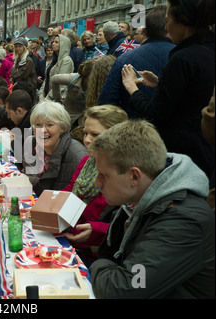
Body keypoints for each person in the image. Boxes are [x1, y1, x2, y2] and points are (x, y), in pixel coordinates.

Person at [88, 120, 215, 298]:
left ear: (134, 176)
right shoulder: (138, 200)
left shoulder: (183, 222)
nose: (97, 182)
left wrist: (97, 265)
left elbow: (122, 291)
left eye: (104, 175)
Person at [121, 0, 215, 180]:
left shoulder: (183, 58)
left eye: (168, 20)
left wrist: (132, 88)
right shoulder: (207, 49)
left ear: (182, 20)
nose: (167, 27)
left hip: (185, 155)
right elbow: (198, 88)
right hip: (206, 149)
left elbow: (155, 113)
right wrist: (162, 83)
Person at [60, 105, 128, 266]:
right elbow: (69, 192)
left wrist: (96, 229)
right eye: (85, 133)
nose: (86, 140)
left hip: (99, 257)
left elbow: (128, 226)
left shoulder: (126, 173)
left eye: (95, 135)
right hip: (72, 243)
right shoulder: (87, 162)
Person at [99, 5, 176, 117]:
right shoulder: (186, 56)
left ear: (145, 32)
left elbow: (107, 102)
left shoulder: (124, 59)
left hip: (131, 128)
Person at [23, 101, 87, 196]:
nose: (43, 130)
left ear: (63, 128)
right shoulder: (31, 144)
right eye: (38, 125)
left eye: (49, 125)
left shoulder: (77, 157)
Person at [50, 59, 96, 128]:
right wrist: (57, 98)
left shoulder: (99, 84)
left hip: (85, 121)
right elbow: (54, 79)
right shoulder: (73, 78)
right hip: (69, 117)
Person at [39, 34, 73, 102]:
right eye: (53, 42)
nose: (53, 44)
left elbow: (61, 84)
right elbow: (46, 79)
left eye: (56, 42)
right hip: (46, 97)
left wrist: (47, 99)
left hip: (56, 99)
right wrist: (41, 96)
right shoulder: (54, 60)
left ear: (63, 45)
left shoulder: (66, 60)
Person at [5, 90, 34, 170]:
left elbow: (22, 156)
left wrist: (13, 140)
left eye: (9, 113)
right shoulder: (25, 122)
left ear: (19, 111)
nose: (8, 117)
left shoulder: (32, 127)